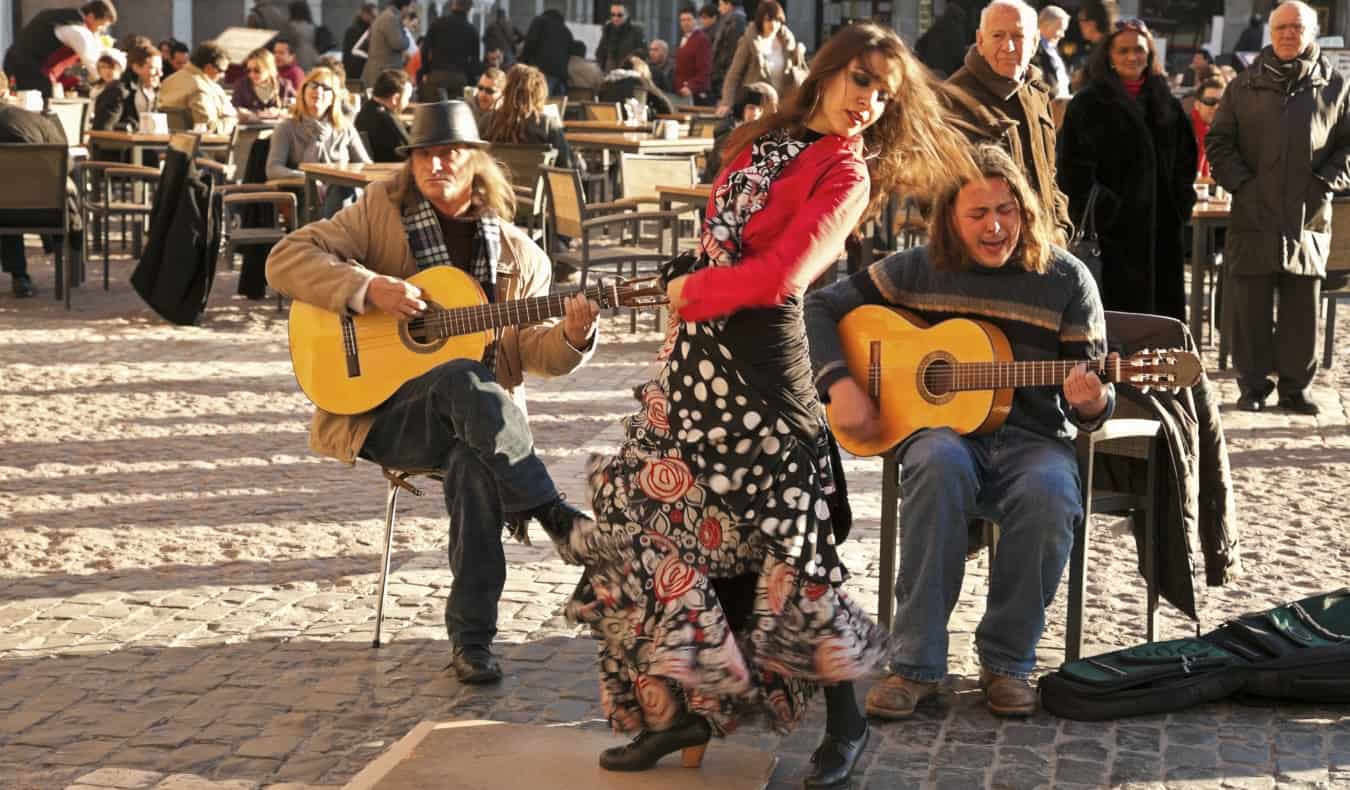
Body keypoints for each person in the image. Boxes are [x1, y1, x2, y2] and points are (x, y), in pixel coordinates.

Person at [550, 21, 974, 788]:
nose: (870, 104)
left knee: (795, 561)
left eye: (885, 95)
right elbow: (722, 239)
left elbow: (784, 277)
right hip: (694, 368)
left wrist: (694, 291)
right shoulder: (761, 136)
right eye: (861, 83)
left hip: (761, 381)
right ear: (829, 71)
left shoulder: (847, 174)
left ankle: (846, 729)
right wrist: (686, 299)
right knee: (642, 527)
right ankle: (676, 711)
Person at [267, 99, 599, 685]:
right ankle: (554, 516)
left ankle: (471, 641)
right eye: (424, 153)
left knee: (474, 462)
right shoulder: (377, 214)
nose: (436, 163)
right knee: (457, 378)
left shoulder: (520, 255)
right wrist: (369, 289)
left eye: (450, 152)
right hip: (384, 416)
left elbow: (531, 355)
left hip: (478, 429)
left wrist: (575, 335)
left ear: (476, 161)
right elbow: (285, 258)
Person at [805, 144, 1112, 722]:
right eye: (978, 214)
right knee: (937, 461)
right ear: (950, 217)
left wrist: (1094, 401)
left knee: (1052, 493)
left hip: (1033, 440)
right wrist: (840, 384)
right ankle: (915, 665)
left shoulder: (1066, 279)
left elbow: (1094, 399)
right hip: (941, 435)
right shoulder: (916, 268)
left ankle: (1007, 661)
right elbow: (817, 306)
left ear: (1025, 211)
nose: (996, 226)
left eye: (1007, 211)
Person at [1206, 0, 1350, 416]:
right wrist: (1242, 186)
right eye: (1281, 27)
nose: (1289, 34)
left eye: (1297, 27)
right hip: (1252, 214)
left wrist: (1324, 183)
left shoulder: (1336, 87)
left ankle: (1294, 389)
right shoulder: (1243, 86)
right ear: (1270, 33)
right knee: (1249, 307)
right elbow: (1219, 143)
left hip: (1308, 216)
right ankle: (1252, 387)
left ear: (1312, 33)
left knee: (1301, 310)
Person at [1057, 17, 1196, 321]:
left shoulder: (1166, 101)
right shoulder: (1088, 103)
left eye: (1139, 50)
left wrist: (1180, 205)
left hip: (1162, 235)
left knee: (1162, 323)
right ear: (1109, 55)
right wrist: (1110, 211)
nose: (1132, 57)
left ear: (1150, 55)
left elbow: (1187, 161)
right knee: (1120, 322)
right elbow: (1071, 169)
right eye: (1123, 51)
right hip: (1113, 238)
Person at [943, 0, 1070, 236]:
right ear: (980, 42)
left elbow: (1049, 175)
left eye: (1018, 36)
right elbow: (936, 191)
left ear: (1034, 44)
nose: (1008, 47)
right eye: (998, 35)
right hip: (987, 252)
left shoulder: (1037, 93)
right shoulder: (954, 99)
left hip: (1043, 245)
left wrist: (1060, 227)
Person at [0, 69, 72, 298]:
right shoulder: (39, 120)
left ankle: (20, 275)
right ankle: (24, 275)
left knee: (6, 197)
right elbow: (67, 165)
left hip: (4, 212)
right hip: (50, 213)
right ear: (6, 92)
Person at [267, 66, 371, 218]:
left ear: (333, 98)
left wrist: (342, 178)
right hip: (303, 197)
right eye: (314, 85)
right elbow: (273, 169)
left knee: (341, 188)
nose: (319, 91)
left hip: (344, 197)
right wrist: (309, 179)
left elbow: (366, 166)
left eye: (326, 88)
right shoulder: (286, 128)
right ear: (303, 91)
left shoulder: (345, 128)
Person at [2, 0, 117, 99]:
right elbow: (95, 66)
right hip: (32, 72)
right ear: (91, 17)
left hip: (15, 63)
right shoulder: (79, 31)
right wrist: (111, 79)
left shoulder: (61, 16)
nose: (101, 30)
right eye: (102, 25)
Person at [717, 1, 805, 117]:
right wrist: (727, 103)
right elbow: (734, 74)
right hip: (755, 107)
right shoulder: (749, 41)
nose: (773, 24)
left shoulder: (788, 43)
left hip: (782, 107)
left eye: (777, 20)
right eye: (768, 20)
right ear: (760, 21)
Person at [481, 64, 575, 169]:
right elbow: (568, 166)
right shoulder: (546, 125)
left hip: (496, 184)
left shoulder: (488, 121)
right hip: (537, 184)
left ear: (506, 89)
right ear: (539, 93)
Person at [159, 42, 239, 134]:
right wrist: (233, 119)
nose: (223, 76)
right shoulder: (202, 88)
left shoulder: (168, 81)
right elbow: (208, 127)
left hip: (170, 143)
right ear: (209, 67)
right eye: (221, 71)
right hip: (202, 145)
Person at [92, 40, 160, 132]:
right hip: (119, 145)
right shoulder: (117, 91)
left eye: (160, 69)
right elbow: (102, 131)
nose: (159, 73)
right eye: (153, 68)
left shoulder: (153, 91)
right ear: (136, 67)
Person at [421, 0, 480, 103]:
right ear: (470, 8)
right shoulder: (472, 30)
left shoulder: (437, 23)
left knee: (435, 112)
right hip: (459, 78)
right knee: (454, 114)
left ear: (453, 5)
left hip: (437, 75)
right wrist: (470, 81)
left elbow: (424, 49)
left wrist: (425, 71)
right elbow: (475, 61)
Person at [355, 68, 413, 162]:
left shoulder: (366, 109)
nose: (407, 102)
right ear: (395, 98)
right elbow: (409, 152)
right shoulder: (387, 120)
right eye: (407, 98)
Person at [361, 0, 417, 88]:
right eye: (412, 7)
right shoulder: (391, 18)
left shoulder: (387, 16)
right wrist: (407, 36)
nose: (411, 11)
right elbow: (398, 43)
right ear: (404, 6)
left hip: (381, 71)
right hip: (385, 73)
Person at [598, 55, 675, 118]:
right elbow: (667, 108)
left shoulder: (606, 83)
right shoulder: (641, 81)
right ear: (643, 70)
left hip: (606, 126)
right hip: (632, 127)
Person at [231, 47, 296, 121]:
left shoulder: (284, 85)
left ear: (269, 68)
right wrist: (250, 114)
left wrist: (281, 112)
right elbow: (233, 109)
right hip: (250, 130)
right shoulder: (242, 85)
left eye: (257, 70)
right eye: (248, 70)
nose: (252, 74)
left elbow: (298, 105)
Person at [520, 9, 573, 97]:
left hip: (542, 71)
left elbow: (530, 43)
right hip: (561, 75)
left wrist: (524, 63)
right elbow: (570, 52)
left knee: (540, 102)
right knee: (557, 106)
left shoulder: (539, 22)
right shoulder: (566, 31)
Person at [914, 2, 970, 78]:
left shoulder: (938, 25)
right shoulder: (957, 30)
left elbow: (919, 44)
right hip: (948, 71)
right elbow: (959, 53)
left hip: (932, 67)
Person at [674, 5, 712, 103]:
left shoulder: (701, 39)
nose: (685, 23)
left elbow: (705, 69)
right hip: (682, 92)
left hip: (695, 94)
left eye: (688, 19)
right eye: (682, 20)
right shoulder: (683, 39)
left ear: (696, 21)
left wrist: (691, 86)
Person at [710, 0, 747, 98]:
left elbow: (732, 49)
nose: (719, 8)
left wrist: (721, 68)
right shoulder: (730, 19)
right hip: (723, 71)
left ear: (729, 4)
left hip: (725, 72)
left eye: (720, 5)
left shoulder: (736, 19)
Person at [1190, 74, 1225, 179]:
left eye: (1222, 102)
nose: (1216, 107)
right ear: (1197, 105)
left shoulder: (1221, 132)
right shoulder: (1184, 131)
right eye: (1210, 102)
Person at [597, 3, 646, 74]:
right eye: (613, 15)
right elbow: (600, 52)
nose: (615, 18)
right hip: (609, 74)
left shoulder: (636, 31)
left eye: (619, 15)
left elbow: (643, 52)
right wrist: (603, 68)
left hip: (628, 74)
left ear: (627, 15)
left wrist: (628, 62)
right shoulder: (608, 30)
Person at [1036, 5, 1071, 98]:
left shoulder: (1054, 50)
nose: (1063, 35)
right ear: (1046, 25)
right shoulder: (1033, 50)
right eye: (1060, 30)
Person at [343, 3, 377, 81]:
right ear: (365, 15)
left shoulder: (353, 29)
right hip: (358, 68)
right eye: (373, 16)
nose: (375, 19)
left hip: (352, 69)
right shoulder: (362, 31)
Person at [284, 1, 320, 71]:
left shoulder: (291, 26)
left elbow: (289, 42)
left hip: (298, 54)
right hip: (312, 54)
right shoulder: (311, 25)